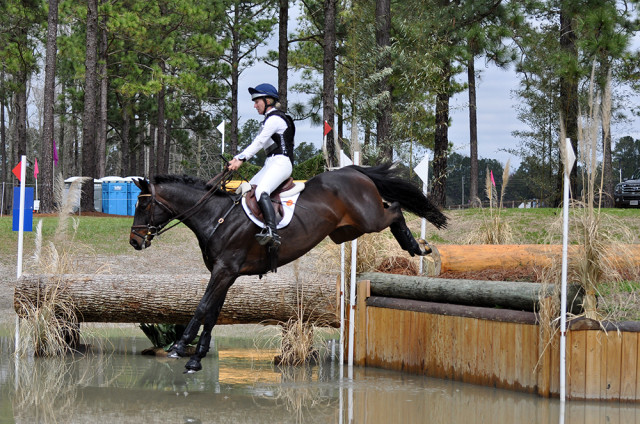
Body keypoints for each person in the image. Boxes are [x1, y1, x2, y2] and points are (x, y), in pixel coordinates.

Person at [228, 83, 295, 248]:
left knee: (261, 191)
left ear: (268, 100)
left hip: (281, 162)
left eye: (257, 101)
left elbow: (258, 143)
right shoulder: (268, 120)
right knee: (249, 189)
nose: (254, 105)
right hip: (270, 163)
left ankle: (272, 232)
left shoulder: (275, 119)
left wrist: (240, 159)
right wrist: (236, 158)